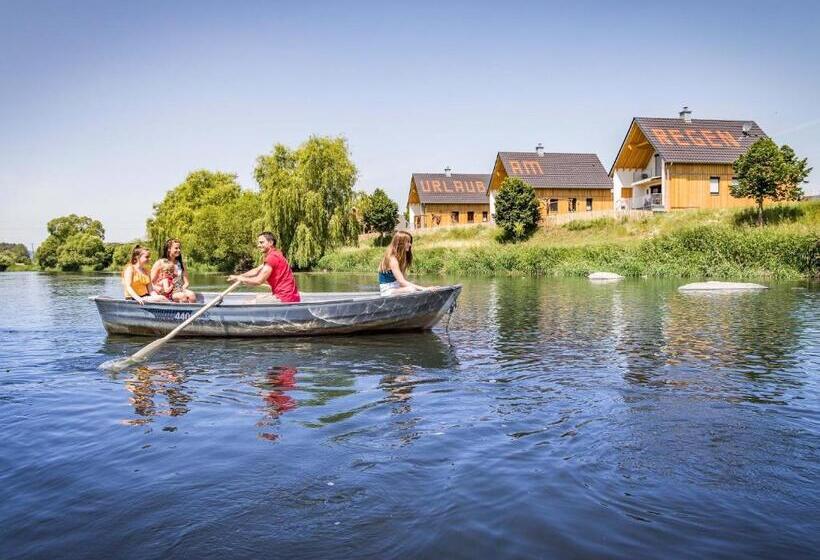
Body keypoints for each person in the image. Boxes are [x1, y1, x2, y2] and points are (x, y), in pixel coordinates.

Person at [227, 232, 301, 303]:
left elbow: (258, 281)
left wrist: (241, 279)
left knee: (249, 303)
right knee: (258, 297)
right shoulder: (276, 254)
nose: (258, 245)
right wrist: (239, 276)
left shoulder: (272, 257)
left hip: (284, 298)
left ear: (271, 243)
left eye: (261, 242)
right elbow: (256, 271)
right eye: (259, 243)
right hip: (291, 297)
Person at [378, 231, 427, 296]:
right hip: (387, 291)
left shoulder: (401, 259)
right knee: (411, 289)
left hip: (396, 288)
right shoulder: (392, 259)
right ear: (399, 243)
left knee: (412, 287)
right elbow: (402, 281)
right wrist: (424, 289)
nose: (410, 245)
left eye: (410, 242)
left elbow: (402, 282)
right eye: (408, 242)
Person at [151, 239, 196, 303]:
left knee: (192, 295)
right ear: (169, 249)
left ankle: (190, 312)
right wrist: (158, 288)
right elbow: (150, 281)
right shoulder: (160, 262)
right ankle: (179, 311)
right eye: (176, 248)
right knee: (182, 296)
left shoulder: (181, 263)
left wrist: (182, 289)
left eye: (179, 248)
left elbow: (186, 282)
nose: (179, 250)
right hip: (166, 291)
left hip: (179, 289)